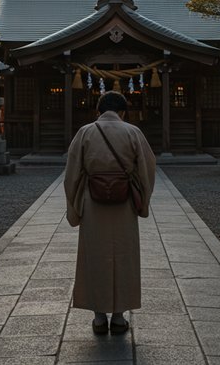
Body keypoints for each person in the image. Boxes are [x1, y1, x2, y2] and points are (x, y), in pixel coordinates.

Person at [63, 90, 157, 335]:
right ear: (123, 111)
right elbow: (147, 168)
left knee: (93, 257)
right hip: (124, 202)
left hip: (92, 203)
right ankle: (118, 317)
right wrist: (143, 200)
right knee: (124, 257)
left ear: (99, 110)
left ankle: (98, 317)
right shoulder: (133, 132)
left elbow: (72, 173)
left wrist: (74, 206)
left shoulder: (85, 132)